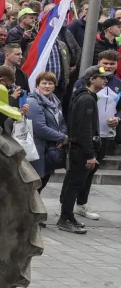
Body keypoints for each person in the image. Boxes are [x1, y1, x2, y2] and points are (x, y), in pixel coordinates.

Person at [58, 66, 112, 234]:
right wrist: (89, 154)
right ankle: (65, 218)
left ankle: (67, 216)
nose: (106, 81)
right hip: (81, 150)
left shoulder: (83, 96)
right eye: (102, 78)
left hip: (77, 149)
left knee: (72, 183)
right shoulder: (87, 99)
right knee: (75, 185)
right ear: (92, 79)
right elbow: (84, 130)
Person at [26, 72, 68, 201]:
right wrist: (62, 138)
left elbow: (62, 122)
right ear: (37, 85)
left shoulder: (55, 101)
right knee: (35, 184)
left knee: (43, 181)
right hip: (38, 149)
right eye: (44, 83)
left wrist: (63, 134)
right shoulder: (32, 102)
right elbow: (39, 128)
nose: (47, 86)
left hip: (50, 149)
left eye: (50, 83)